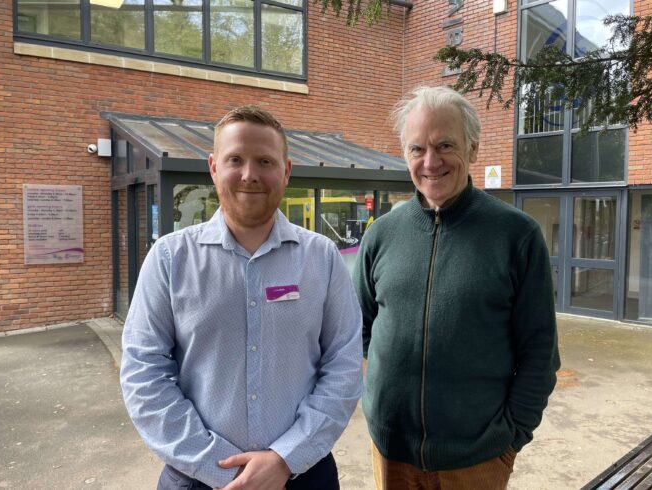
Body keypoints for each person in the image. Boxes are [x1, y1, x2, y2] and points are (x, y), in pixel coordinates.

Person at [120, 106, 363, 490]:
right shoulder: (170, 258)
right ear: (214, 167)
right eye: (236, 159)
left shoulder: (322, 258)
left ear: (286, 171)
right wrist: (221, 467)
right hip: (196, 478)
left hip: (303, 476)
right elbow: (143, 373)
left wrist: (286, 458)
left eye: (265, 161)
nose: (250, 174)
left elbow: (344, 365)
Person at [353, 86, 560, 490]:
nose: (430, 162)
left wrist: (511, 436)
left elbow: (539, 352)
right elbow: (359, 329)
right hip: (390, 451)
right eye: (417, 149)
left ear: (473, 148)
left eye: (445, 144)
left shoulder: (516, 236)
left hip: (477, 459)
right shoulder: (381, 235)